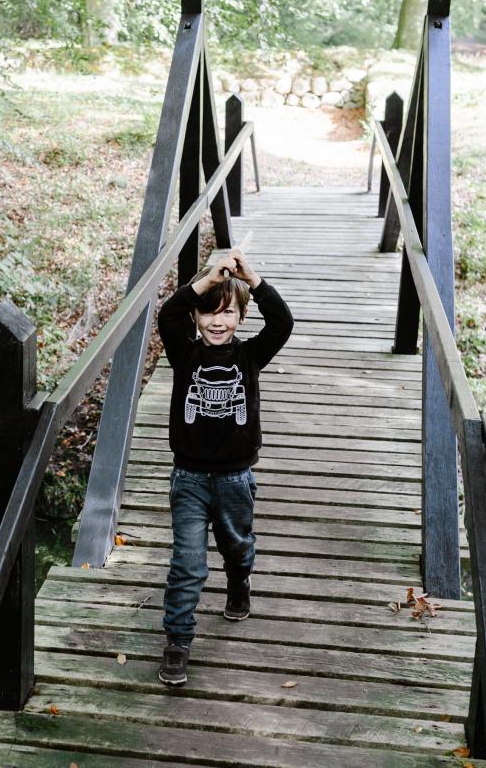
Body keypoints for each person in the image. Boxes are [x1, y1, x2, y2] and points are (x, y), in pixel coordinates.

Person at [155, 249, 293, 686]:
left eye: (227, 313)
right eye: (208, 314)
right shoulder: (184, 355)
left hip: (236, 477)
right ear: (196, 317)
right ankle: (178, 640)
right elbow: (166, 315)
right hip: (190, 478)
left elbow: (283, 323)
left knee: (237, 545)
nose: (218, 322)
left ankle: (239, 581)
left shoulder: (250, 357)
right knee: (188, 563)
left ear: (240, 316)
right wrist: (205, 281)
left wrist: (252, 278)